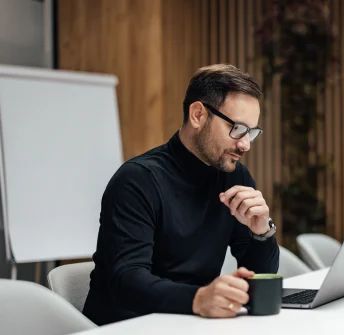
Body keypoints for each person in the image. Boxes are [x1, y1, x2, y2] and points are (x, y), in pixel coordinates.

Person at [82, 64, 280, 325]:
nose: (245, 144)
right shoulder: (137, 180)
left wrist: (261, 232)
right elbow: (127, 280)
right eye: (238, 129)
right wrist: (198, 299)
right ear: (198, 114)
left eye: (251, 133)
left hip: (191, 323)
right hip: (127, 326)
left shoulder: (235, 176)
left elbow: (260, 278)